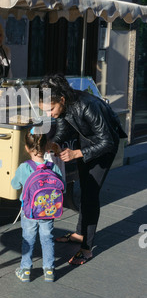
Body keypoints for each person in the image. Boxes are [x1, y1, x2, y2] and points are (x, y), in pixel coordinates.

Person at [38, 73, 127, 265]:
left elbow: (108, 142)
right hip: (85, 143)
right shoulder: (65, 104)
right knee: (85, 189)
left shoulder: (88, 105)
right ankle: (80, 234)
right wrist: (53, 143)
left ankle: (87, 248)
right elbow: (63, 127)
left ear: (61, 99)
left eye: (51, 109)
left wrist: (77, 153)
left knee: (90, 194)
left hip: (104, 147)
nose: (49, 114)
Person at [11, 131, 64, 282]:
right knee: (47, 239)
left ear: (27, 148)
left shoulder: (24, 167)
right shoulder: (53, 168)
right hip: (48, 211)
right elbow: (62, 187)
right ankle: (49, 271)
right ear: (47, 146)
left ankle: (25, 270)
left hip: (29, 212)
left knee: (28, 239)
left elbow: (14, 184)